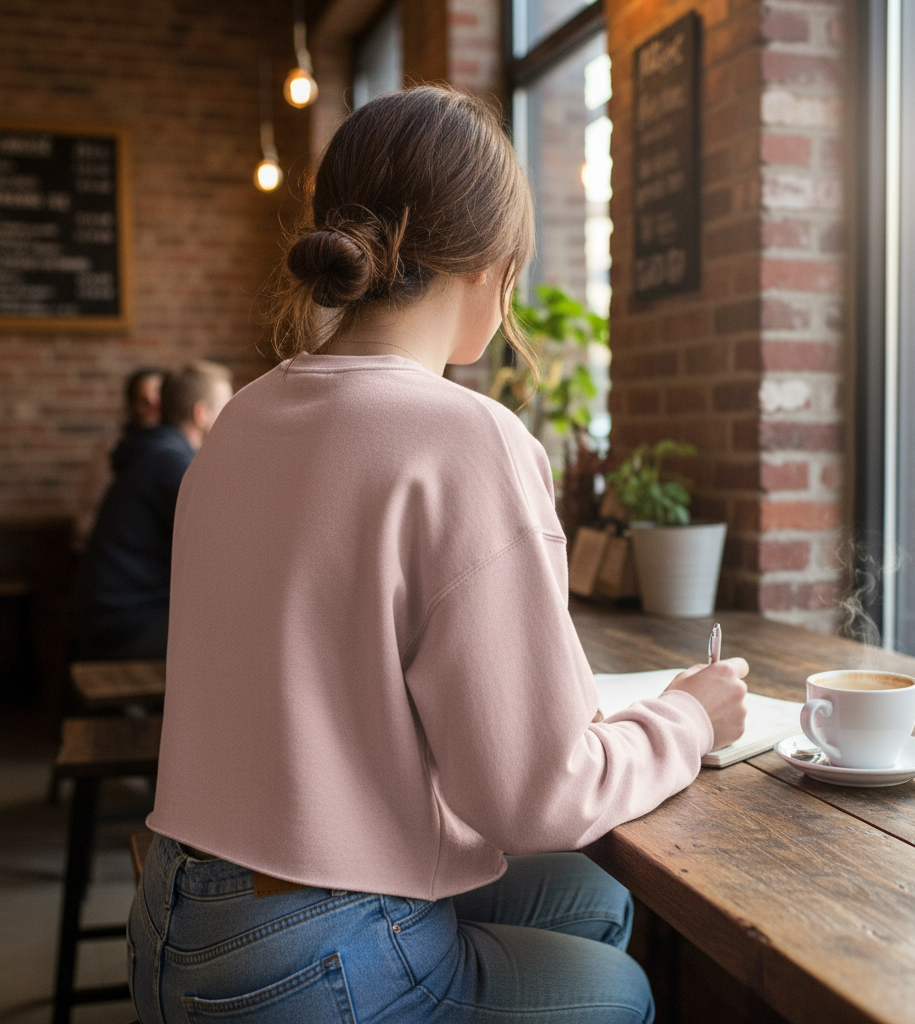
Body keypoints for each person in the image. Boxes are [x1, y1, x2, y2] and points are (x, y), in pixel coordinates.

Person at [131, 87, 748, 1024]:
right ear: (494, 269)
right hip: (308, 954)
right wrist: (689, 723)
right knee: (617, 992)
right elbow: (538, 797)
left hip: (174, 916)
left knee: (592, 899)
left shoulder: (242, 419)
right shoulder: (468, 438)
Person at [74, 360, 233, 661]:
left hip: (110, 617)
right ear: (202, 413)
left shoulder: (155, 451)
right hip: (122, 627)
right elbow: (217, 549)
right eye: (227, 405)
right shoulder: (172, 464)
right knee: (235, 643)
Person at [72, 367, 166, 551]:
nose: (154, 406)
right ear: (133, 405)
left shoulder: (174, 448)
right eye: (145, 400)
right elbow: (91, 507)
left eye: (159, 398)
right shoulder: (115, 447)